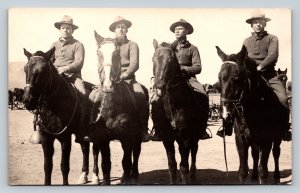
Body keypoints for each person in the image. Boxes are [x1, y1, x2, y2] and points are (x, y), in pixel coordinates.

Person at [217, 9, 291, 141]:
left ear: (265, 24)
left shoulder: (272, 38)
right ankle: (227, 126)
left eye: (261, 22)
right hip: (250, 76)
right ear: (251, 25)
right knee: (234, 96)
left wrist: (260, 66)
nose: (258, 24)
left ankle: (284, 129)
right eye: (255, 22)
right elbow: (243, 58)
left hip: (269, 75)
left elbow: (273, 56)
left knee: (283, 99)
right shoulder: (246, 41)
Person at [151, 19, 211, 140]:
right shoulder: (168, 48)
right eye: (175, 29)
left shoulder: (192, 48)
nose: (177, 31)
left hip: (189, 79)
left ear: (187, 31)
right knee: (155, 100)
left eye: (180, 29)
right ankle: (157, 129)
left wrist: (183, 69)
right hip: (169, 80)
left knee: (203, 95)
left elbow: (198, 67)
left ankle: (202, 128)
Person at [108, 16, 151, 142]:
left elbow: (134, 64)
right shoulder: (108, 45)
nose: (121, 29)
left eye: (123, 27)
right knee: (94, 96)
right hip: (110, 80)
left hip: (128, 80)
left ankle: (143, 129)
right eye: (118, 27)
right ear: (114, 30)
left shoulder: (132, 45)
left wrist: (124, 75)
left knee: (141, 95)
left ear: (126, 30)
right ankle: (94, 128)